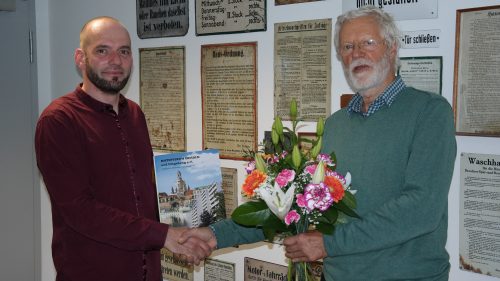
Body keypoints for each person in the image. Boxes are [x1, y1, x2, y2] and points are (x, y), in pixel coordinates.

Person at [180, 6, 457, 281]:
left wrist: (328, 243)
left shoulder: (429, 112)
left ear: (392, 48)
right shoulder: (336, 124)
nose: (356, 53)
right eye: (347, 46)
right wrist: (216, 235)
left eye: (368, 43)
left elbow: (420, 210)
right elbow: (292, 205)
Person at [35, 16, 211, 281]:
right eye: (103, 51)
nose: (115, 61)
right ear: (80, 58)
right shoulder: (59, 120)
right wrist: (165, 236)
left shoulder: (135, 114)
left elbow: (143, 194)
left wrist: (184, 233)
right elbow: (80, 210)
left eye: (124, 51)